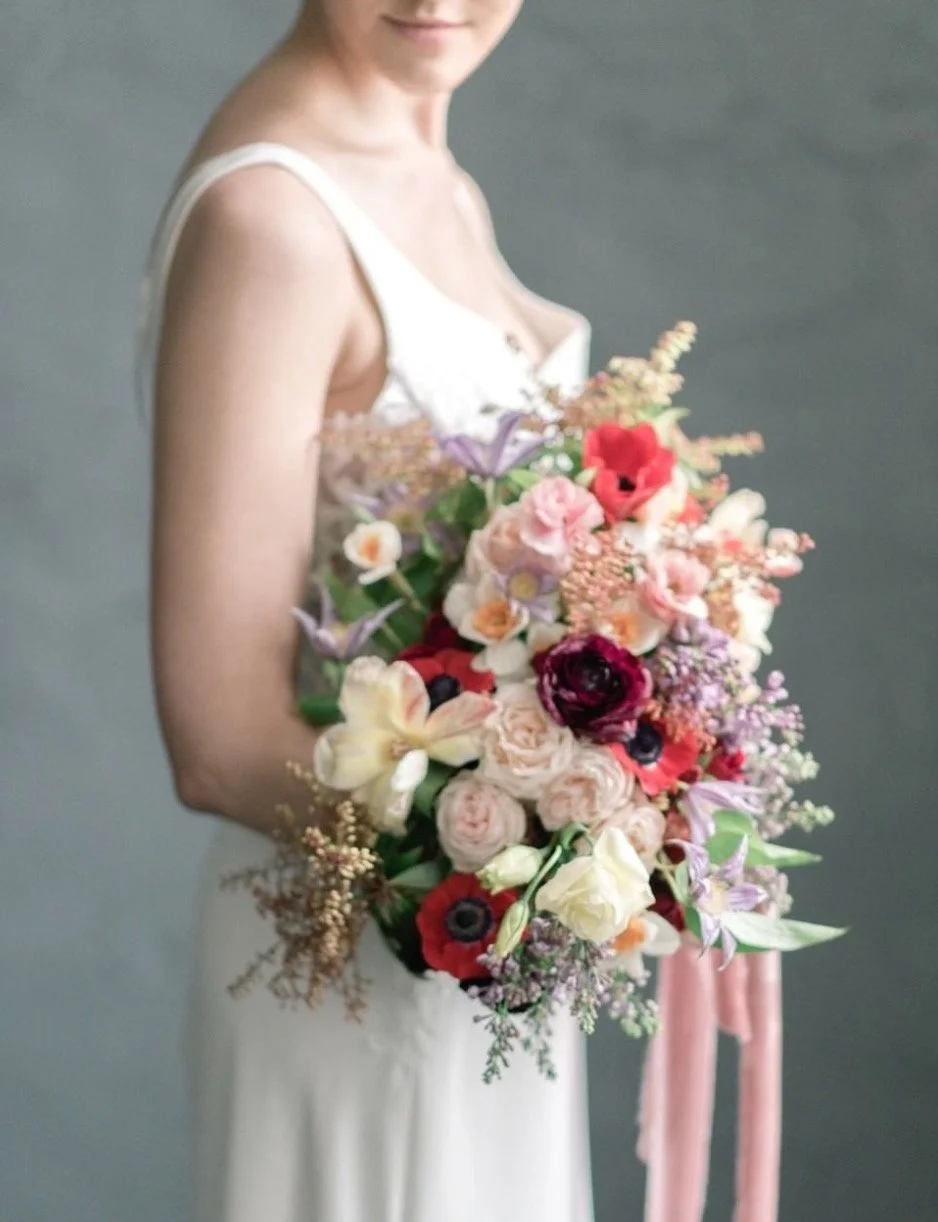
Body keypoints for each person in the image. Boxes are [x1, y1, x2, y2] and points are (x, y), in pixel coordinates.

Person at [135, 4, 595, 1221]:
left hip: (476, 954)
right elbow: (218, 740)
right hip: (348, 951)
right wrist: (556, 858)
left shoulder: (436, 176)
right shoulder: (273, 220)